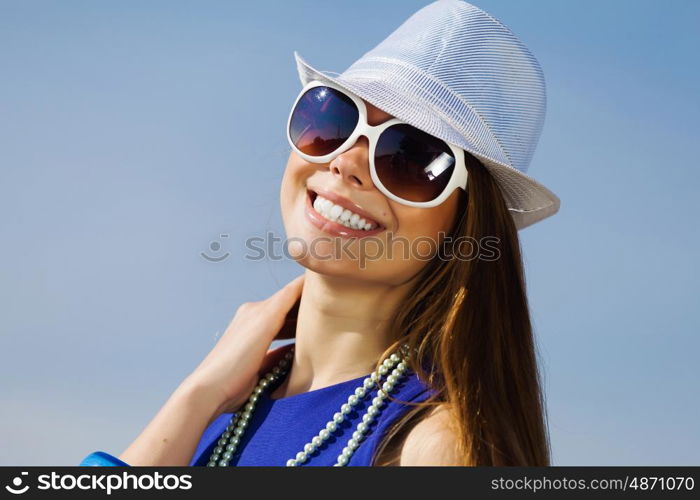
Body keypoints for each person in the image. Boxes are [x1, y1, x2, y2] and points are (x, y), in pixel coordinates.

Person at [80, 0, 560, 467]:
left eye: (410, 157)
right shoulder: (217, 416)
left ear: (464, 224)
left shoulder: (427, 448)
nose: (346, 161)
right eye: (335, 121)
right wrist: (197, 394)